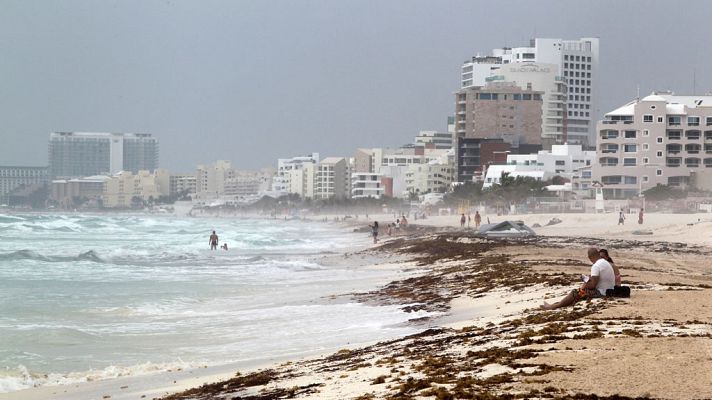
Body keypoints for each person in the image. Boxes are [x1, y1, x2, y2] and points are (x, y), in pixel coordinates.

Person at [540, 247, 615, 310]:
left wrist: (586, 283)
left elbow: (593, 285)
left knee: (575, 292)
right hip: (610, 290)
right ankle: (558, 304)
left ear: (590, 257)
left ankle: (554, 306)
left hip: (602, 292)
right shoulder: (605, 262)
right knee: (579, 292)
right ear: (598, 254)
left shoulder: (596, 266)